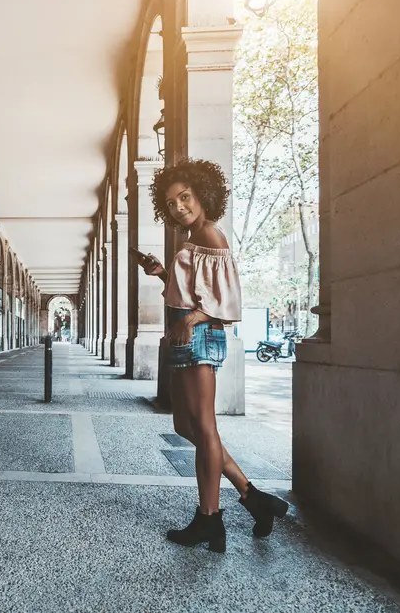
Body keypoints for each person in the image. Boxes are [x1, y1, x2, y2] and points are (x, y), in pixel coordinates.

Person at [138, 158, 289, 553]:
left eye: (184, 196)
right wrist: (161, 275)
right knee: (185, 427)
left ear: (202, 194)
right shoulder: (193, 238)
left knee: (204, 428)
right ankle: (253, 497)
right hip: (185, 337)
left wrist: (190, 322)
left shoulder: (210, 235)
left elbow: (228, 300)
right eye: (170, 202)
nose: (178, 206)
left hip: (198, 337)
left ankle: (209, 519)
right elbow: (193, 290)